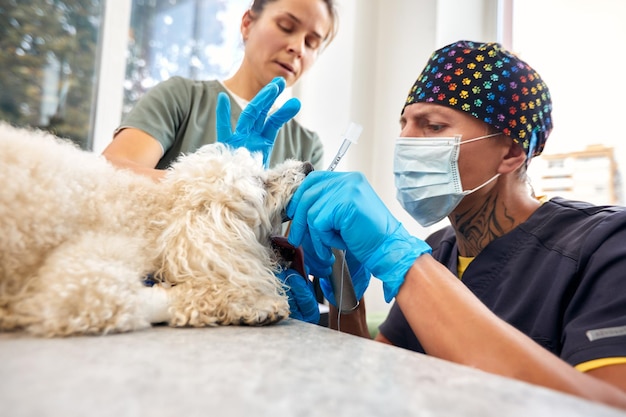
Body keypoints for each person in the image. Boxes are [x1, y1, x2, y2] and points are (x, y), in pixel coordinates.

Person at [283, 40, 626, 409]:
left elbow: (609, 405)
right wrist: (341, 283)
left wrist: (398, 256)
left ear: (511, 151)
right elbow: (378, 377)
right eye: (404, 123)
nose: (406, 141)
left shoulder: (604, 245)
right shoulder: (442, 248)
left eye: (432, 126)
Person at [102, 0, 338, 181]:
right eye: (286, 27)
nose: (297, 48)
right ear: (247, 24)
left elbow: (296, 241)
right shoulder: (181, 97)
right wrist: (215, 186)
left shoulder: (306, 146)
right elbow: (112, 172)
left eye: (311, 43)